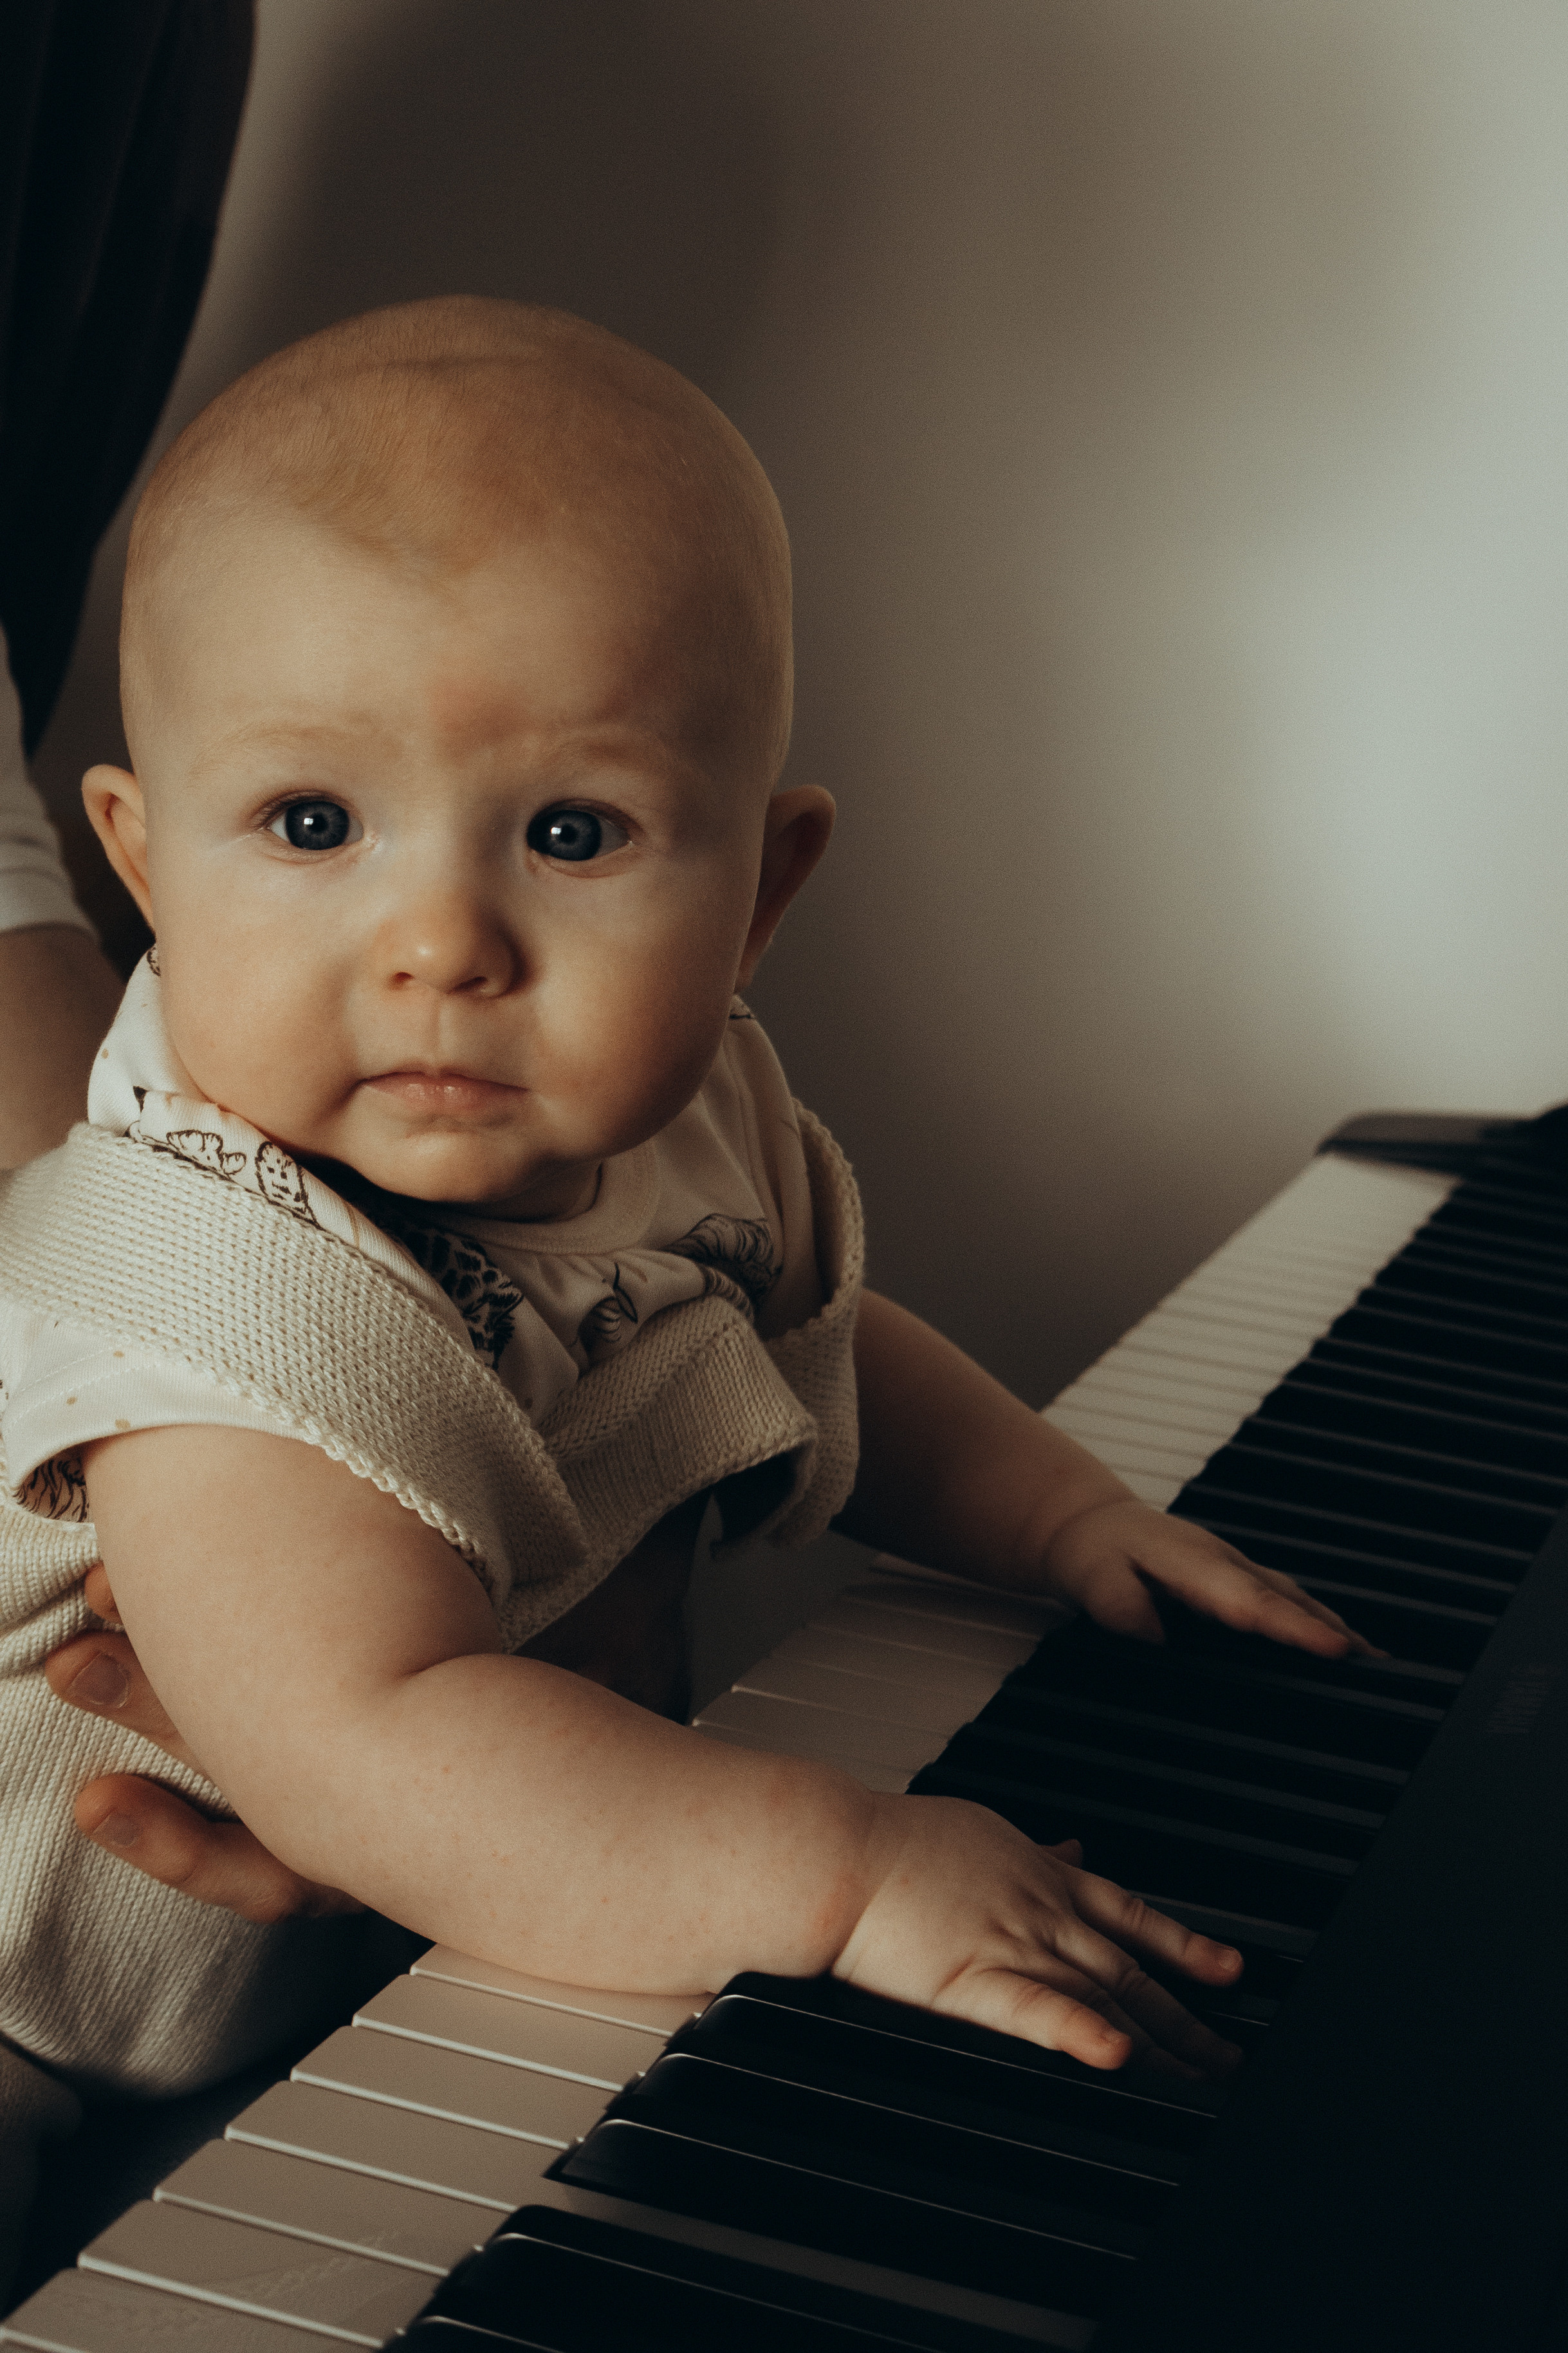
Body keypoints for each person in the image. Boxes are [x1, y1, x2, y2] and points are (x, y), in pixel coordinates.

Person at [0, 297, 1366, 2261]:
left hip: (313, 1972)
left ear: (763, 891)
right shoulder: (207, 1295)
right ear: (138, 859)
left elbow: (798, 1347)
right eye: (312, 824)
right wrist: (847, 1875)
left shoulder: (690, 1116)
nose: (444, 941)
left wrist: (1060, 1513)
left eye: (572, 831)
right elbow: (367, 1746)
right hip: (28, 1997)